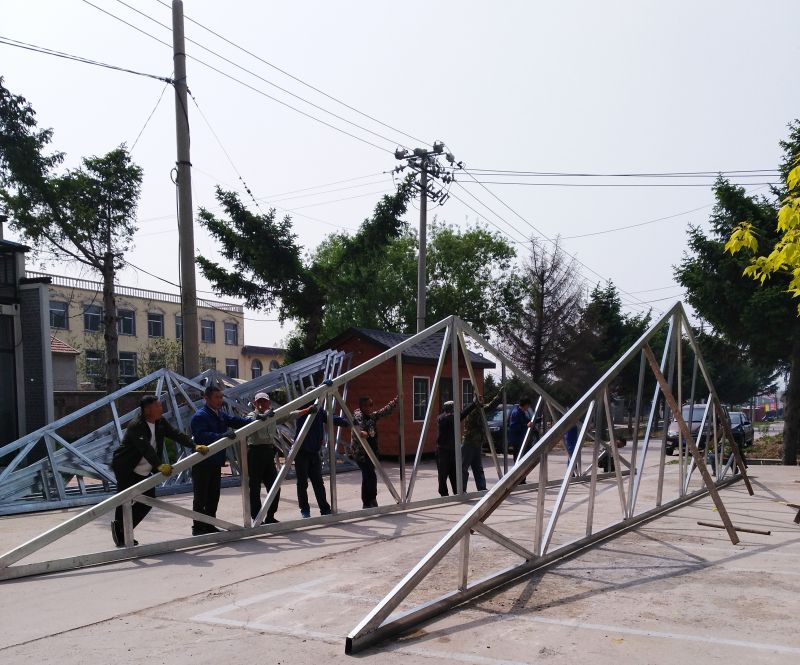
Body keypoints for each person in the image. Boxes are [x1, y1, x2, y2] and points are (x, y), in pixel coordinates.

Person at [111, 395, 208, 546]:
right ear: (147, 410)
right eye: (158, 406)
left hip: (144, 469)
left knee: (147, 500)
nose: (161, 409)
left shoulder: (160, 422)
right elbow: (146, 448)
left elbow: (176, 434)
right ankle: (120, 532)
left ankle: (124, 529)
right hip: (126, 467)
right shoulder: (136, 425)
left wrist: (194, 445)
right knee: (124, 499)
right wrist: (159, 465)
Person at [190, 385, 252, 535]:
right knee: (201, 496)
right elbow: (201, 436)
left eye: (221, 397)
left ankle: (210, 524)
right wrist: (221, 436)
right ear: (206, 399)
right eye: (216, 397)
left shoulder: (220, 414)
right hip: (202, 463)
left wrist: (255, 419)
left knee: (213, 496)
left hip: (215, 461)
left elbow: (235, 421)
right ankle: (198, 527)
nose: (220, 400)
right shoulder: (200, 416)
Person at [246, 392, 315, 524]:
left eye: (264, 401)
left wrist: (307, 410)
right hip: (255, 452)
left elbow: (290, 415)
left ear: (269, 403)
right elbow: (250, 421)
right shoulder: (252, 415)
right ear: (255, 403)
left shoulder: (273, 415)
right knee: (254, 487)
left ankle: (270, 515)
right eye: (259, 401)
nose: (262, 404)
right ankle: (256, 517)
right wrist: (263, 416)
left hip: (268, 452)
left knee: (274, 486)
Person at [294, 395, 350, 518]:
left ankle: (325, 509)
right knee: (302, 483)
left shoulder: (319, 411)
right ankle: (305, 510)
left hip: (314, 453)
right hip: (301, 452)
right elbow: (291, 414)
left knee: (318, 482)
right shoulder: (301, 409)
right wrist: (307, 410)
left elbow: (331, 418)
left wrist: (347, 422)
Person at [350, 395, 398, 509]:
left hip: (371, 453)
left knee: (367, 476)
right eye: (366, 405)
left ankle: (366, 503)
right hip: (361, 454)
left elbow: (383, 412)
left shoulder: (371, 416)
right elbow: (359, 425)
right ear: (361, 406)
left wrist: (395, 401)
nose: (368, 408)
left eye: (370, 405)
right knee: (371, 476)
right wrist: (363, 432)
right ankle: (372, 499)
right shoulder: (358, 416)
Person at [436, 397, 480, 496]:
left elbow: (464, 413)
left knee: (454, 474)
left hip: (453, 451)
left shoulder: (453, 417)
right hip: (442, 451)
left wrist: (473, 404)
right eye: (454, 408)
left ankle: (457, 492)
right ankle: (444, 494)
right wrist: (457, 414)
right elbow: (456, 416)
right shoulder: (441, 418)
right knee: (443, 475)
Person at [461, 393, 501, 492]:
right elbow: (488, 407)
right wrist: (497, 397)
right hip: (469, 442)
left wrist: (498, 397)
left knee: (478, 467)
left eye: (482, 399)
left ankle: (482, 487)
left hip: (477, 443)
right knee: (464, 467)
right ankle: (461, 489)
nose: (482, 401)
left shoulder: (480, 409)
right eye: (480, 400)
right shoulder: (474, 411)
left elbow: (489, 406)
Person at [507, 397, 536, 483]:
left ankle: (522, 479)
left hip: (522, 440)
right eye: (528, 406)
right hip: (518, 441)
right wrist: (526, 425)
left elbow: (527, 421)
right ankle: (519, 480)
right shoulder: (516, 413)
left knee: (523, 460)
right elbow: (513, 427)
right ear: (525, 405)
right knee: (519, 460)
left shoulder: (521, 412)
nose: (528, 408)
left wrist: (535, 420)